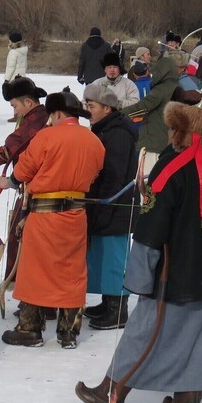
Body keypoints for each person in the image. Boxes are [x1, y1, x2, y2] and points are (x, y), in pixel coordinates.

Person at [75, 101, 202, 403]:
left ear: (177, 130)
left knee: (145, 328)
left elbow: (153, 221)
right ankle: (187, 400)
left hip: (171, 270)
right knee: (199, 331)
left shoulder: (171, 165)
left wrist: (139, 273)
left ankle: (112, 392)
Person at [0, 88, 104, 349]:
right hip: (76, 214)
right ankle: (68, 332)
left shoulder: (47, 136)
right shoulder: (94, 141)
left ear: (57, 113)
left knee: (34, 270)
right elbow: (95, 173)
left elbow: (24, 170)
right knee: (73, 270)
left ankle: (30, 328)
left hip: (45, 214)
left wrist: (10, 181)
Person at [0, 77, 50, 283]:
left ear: (29, 103)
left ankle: (30, 293)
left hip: (34, 193)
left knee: (23, 240)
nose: (14, 112)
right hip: (33, 188)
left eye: (15, 106)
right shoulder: (39, 117)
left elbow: (8, 151)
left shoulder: (35, 121)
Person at [82, 85, 137, 330]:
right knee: (103, 257)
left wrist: (105, 203)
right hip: (105, 203)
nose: (87, 111)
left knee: (115, 259)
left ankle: (118, 310)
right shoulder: (104, 129)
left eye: (91, 106)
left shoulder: (117, 134)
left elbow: (114, 173)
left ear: (107, 108)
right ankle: (108, 301)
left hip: (116, 204)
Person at [121, 51, 180, 174]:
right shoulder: (177, 86)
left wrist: (119, 114)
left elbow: (143, 106)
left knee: (149, 179)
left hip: (154, 141)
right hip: (169, 138)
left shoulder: (161, 90)